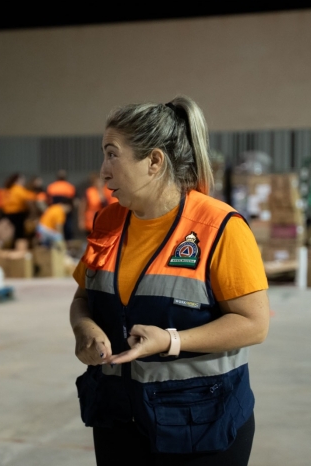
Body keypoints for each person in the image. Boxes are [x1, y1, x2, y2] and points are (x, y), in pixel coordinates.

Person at [70, 97, 269, 465]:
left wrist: (172, 340)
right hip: (117, 420)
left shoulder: (219, 227)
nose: (104, 171)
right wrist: (83, 328)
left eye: (113, 154)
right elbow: (83, 298)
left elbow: (254, 324)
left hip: (201, 425)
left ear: (155, 161)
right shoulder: (107, 222)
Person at [1, 173, 36, 243]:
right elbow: (28, 196)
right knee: (19, 230)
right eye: (22, 180)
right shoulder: (18, 189)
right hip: (17, 213)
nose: (24, 181)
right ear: (18, 180)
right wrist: (39, 196)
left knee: (15, 230)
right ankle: (19, 244)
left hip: (7, 213)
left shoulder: (9, 189)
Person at [47, 169, 77, 240]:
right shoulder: (70, 187)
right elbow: (73, 200)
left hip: (54, 212)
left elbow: (48, 200)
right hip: (67, 212)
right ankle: (67, 241)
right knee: (67, 227)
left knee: (55, 227)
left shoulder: (51, 187)